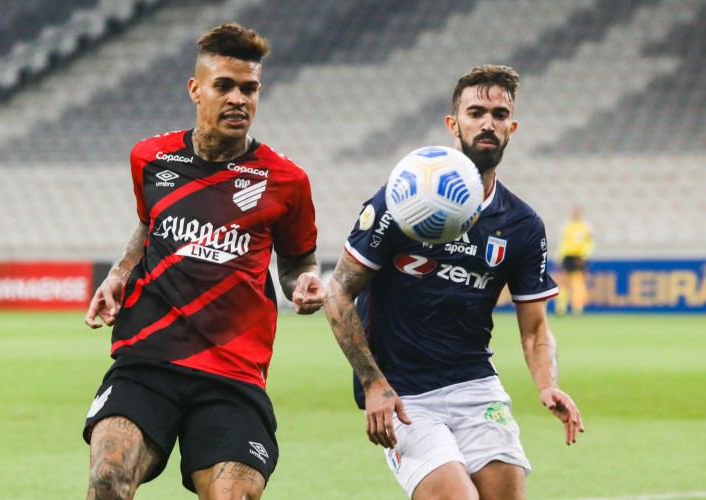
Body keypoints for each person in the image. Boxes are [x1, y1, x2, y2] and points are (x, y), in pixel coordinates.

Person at [82, 23, 325, 500]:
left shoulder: (286, 181)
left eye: (249, 89)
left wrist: (306, 281)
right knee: (107, 479)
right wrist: (119, 273)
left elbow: (299, 262)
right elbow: (150, 225)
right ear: (195, 89)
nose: (238, 99)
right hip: (148, 357)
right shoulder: (150, 158)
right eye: (224, 86)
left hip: (232, 371)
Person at [324, 64, 583, 500]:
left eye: (500, 115)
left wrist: (547, 384)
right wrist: (372, 384)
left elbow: (536, 327)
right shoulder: (401, 198)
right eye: (475, 112)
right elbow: (338, 293)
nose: (488, 123)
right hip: (404, 393)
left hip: (475, 385)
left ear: (512, 127)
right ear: (453, 124)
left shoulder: (521, 224)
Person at [555, 206, 595, 316]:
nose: (575, 214)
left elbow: (590, 243)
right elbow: (562, 243)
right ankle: (561, 308)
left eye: (576, 212)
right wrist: (559, 257)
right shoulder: (567, 226)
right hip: (567, 256)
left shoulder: (585, 227)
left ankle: (577, 308)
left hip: (578, 257)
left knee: (578, 284)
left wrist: (585, 256)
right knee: (563, 283)